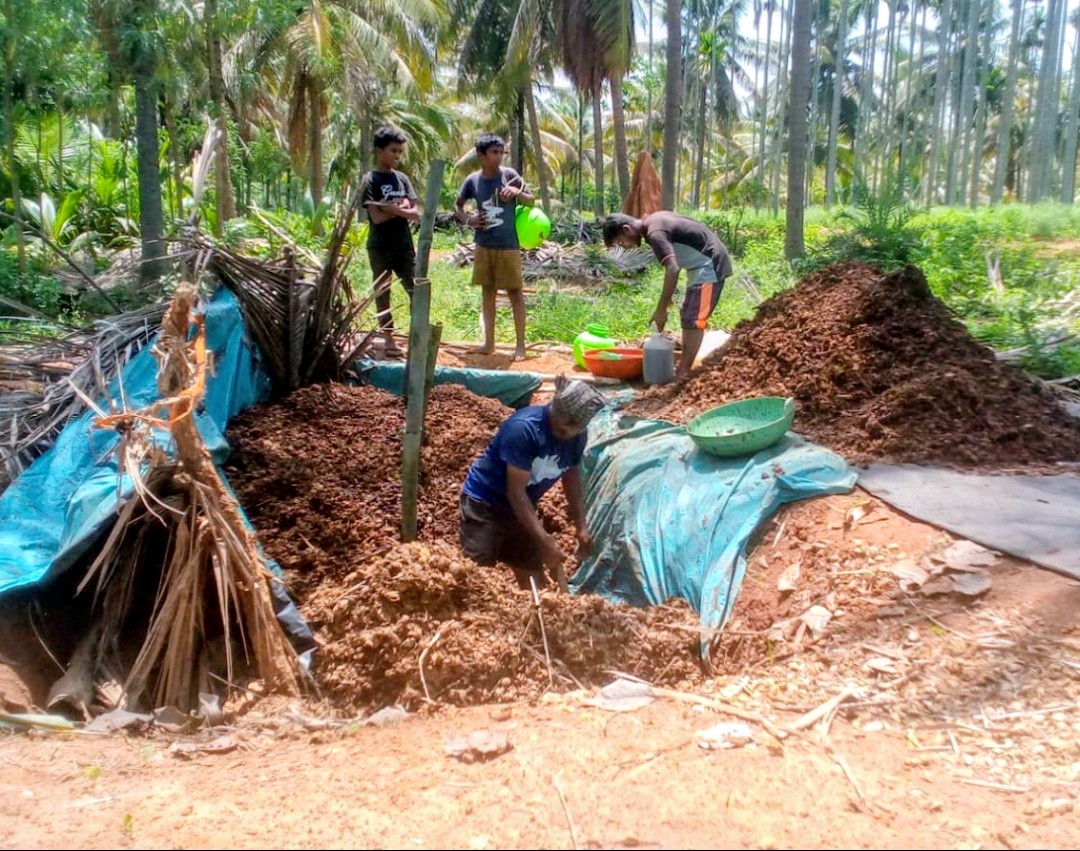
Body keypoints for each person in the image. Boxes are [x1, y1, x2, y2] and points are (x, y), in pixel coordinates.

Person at [459, 376, 607, 592]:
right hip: (486, 505)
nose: (568, 430)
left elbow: (571, 475)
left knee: (535, 584)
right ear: (554, 408)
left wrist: (581, 525)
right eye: (565, 422)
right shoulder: (524, 429)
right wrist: (545, 541)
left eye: (576, 426)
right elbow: (515, 493)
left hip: (523, 509)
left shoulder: (576, 436)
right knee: (474, 581)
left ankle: (543, 621)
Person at [602, 212, 733, 379]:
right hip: (700, 266)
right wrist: (667, 298)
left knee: (694, 318)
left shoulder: (654, 233)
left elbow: (673, 269)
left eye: (622, 242)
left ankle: (683, 372)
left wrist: (661, 309)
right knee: (688, 314)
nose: (625, 247)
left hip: (710, 264)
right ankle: (684, 367)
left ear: (626, 229)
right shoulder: (654, 222)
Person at [454, 134, 536, 361]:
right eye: (494, 153)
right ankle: (489, 343)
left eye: (501, 152)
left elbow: (532, 201)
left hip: (508, 245)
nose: (499, 157)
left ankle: (521, 346)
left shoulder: (510, 176)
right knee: (487, 292)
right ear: (481, 156)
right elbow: (458, 205)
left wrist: (518, 193)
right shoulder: (473, 181)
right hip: (484, 245)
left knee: (515, 294)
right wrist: (469, 220)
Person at [359, 126, 420, 358]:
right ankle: (388, 339)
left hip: (404, 245)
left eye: (399, 152)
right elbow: (376, 218)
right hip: (380, 246)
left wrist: (390, 208)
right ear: (379, 150)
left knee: (417, 289)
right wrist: (399, 209)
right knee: (383, 293)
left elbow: (414, 212)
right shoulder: (370, 180)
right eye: (393, 151)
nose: (397, 156)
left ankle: (417, 336)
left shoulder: (402, 179)